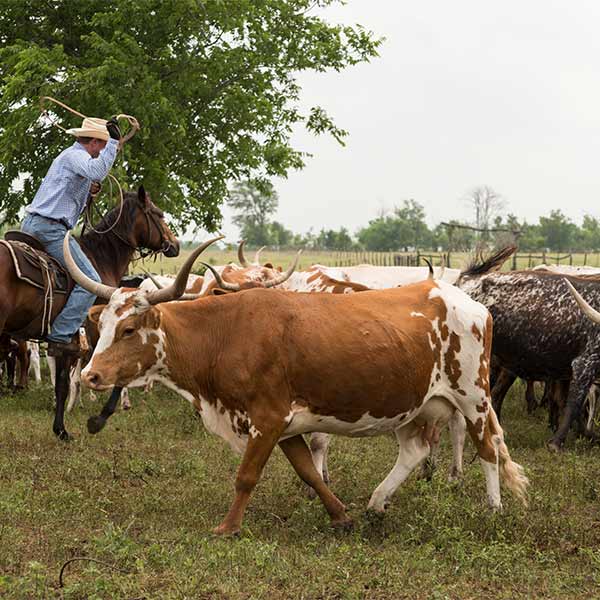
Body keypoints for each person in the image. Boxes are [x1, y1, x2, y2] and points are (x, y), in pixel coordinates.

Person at [21, 116, 122, 355]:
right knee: (91, 282)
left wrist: (89, 190)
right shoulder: (77, 156)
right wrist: (115, 143)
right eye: (103, 144)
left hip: (32, 225)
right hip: (51, 230)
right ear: (96, 143)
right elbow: (97, 172)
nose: (103, 150)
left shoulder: (68, 158)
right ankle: (61, 334)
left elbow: (76, 188)